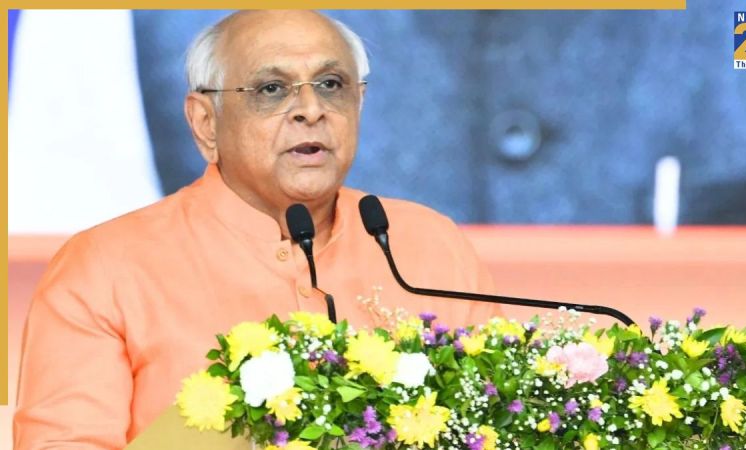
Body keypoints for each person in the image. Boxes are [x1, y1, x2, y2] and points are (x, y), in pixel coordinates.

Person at [14, 10, 498, 449]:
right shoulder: (104, 267)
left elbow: (499, 421)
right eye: (271, 89)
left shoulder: (429, 244)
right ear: (206, 123)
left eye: (331, 84)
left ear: (360, 103)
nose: (311, 109)